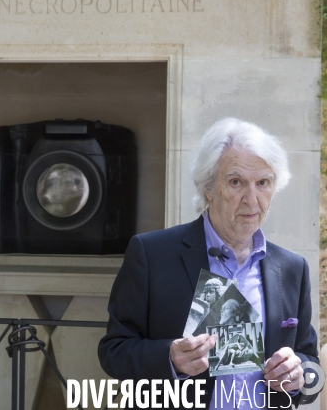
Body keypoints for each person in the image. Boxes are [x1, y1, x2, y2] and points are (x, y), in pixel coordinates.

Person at [98, 118, 319, 409]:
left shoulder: (292, 268)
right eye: (236, 182)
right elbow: (113, 350)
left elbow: (309, 360)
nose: (251, 200)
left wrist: (300, 374)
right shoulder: (152, 254)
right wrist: (170, 358)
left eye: (263, 183)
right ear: (208, 188)